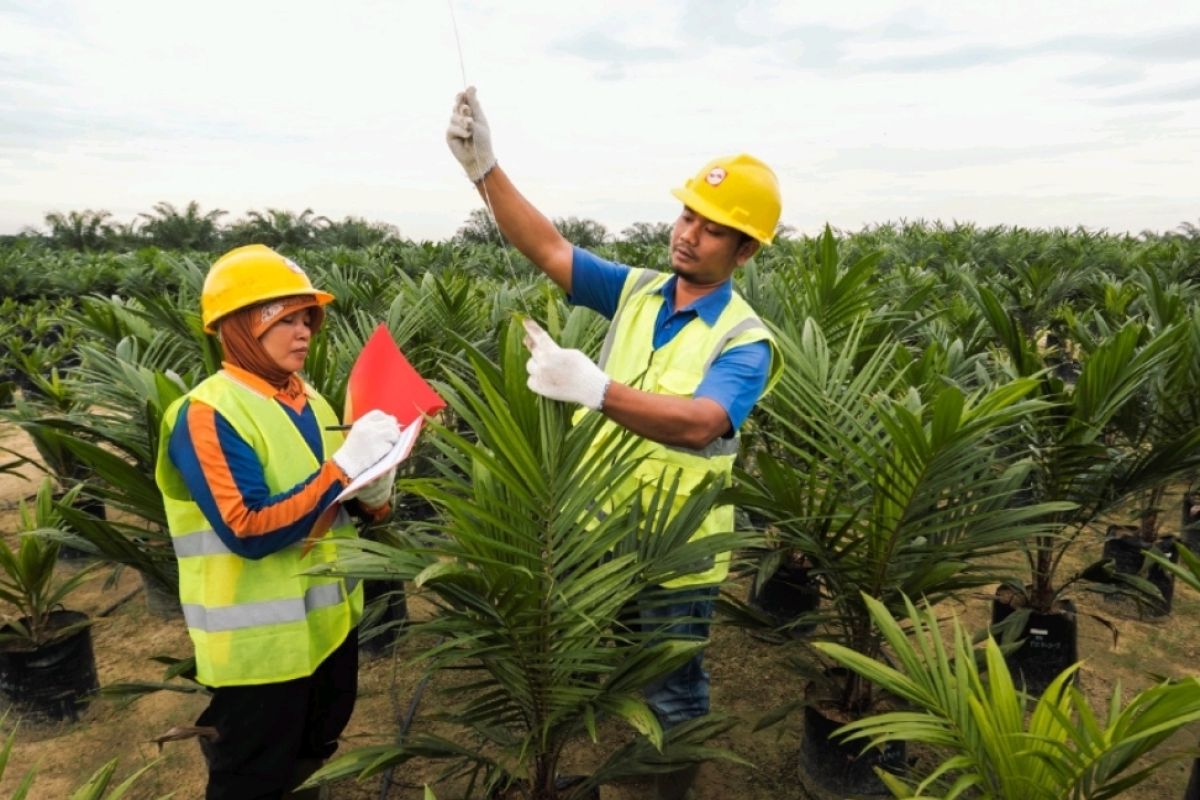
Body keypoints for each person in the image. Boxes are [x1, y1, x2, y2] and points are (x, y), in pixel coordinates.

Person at [446, 87, 782, 800]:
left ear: (745, 250)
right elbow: (547, 246)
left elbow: (700, 422)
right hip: (596, 536)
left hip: (676, 552)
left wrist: (599, 391)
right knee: (593, 671)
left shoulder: (744, 339)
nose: (688, 232)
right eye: (688, 213)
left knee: (675, 693)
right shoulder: (635, 291)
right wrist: (485, 170)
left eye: (713, 227)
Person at [155, 244, 402, 800]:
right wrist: (343, 467)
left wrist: (376, 489)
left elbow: (339, 502)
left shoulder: (309, 399)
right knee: (252, 779)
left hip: (329, 628)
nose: (303, 332)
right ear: (238, 328)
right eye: (284, 320)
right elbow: (247, 527)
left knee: (311, 756)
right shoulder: (209, 413)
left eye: (306, 318)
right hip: (257, 650)